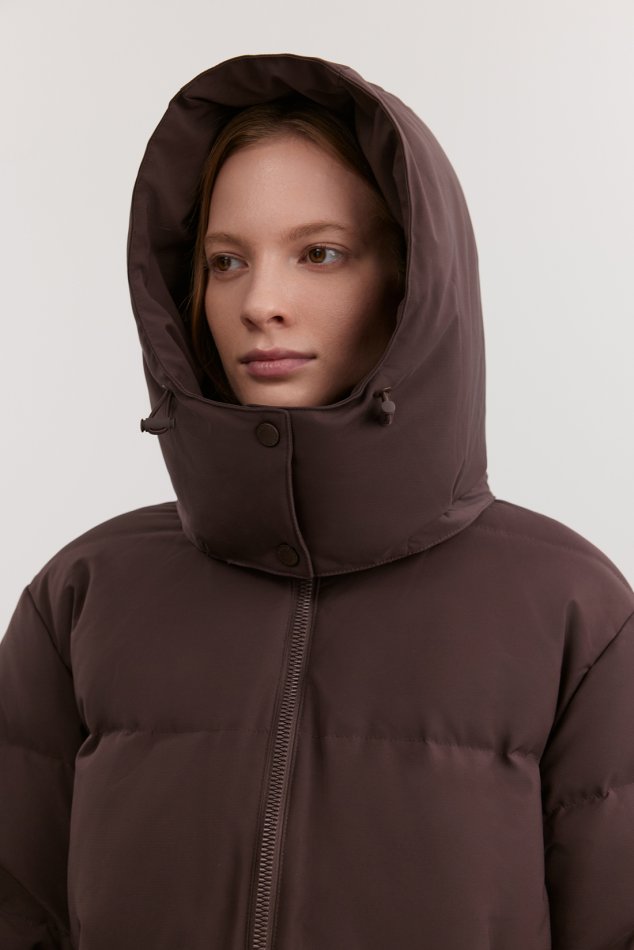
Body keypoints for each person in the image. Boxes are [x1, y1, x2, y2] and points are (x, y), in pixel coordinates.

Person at [0, 51, 632, 950]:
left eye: (320, 254)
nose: (261, 301)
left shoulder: (576, 616)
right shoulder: (82, 596)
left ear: (411, 281)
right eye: (226, 261)